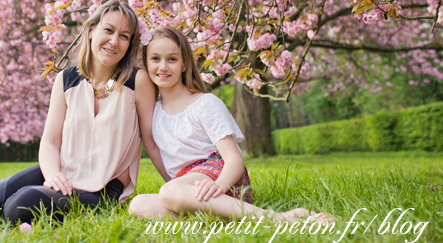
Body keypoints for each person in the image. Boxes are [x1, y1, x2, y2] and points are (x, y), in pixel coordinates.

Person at [0, 0, 166, 225]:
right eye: (108, 30)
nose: (114, 41)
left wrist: (176, 186)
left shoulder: (138, 81)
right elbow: (50, 141)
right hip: (63, 173)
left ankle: (18, 211)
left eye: (124, 36)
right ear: (91, 31)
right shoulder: (66, 79)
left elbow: (152, 142)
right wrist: (53, 174)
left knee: (20, 206)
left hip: (104, 188)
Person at [128, 27, 334, 225]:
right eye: (155, 59)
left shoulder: (204, 103)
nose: (163, 66)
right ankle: (226, 219)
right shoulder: (153, 111)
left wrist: (218, 186)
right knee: (139, 205)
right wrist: (178, 189)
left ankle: (277, 218)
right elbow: (153, 147)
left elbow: (234, 158)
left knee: (168, 192)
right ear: (146, 63)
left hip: (223, 179)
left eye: (172, 59)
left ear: (184, 64)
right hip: (187, 187)